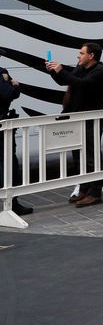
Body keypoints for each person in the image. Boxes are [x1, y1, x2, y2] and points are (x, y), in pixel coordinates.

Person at [46, 43, 103, 208]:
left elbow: (82, 84)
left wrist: (62, 71)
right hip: (76, 119)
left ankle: (95, 192)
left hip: (91, 121)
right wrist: (53, 71)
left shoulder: (100, 72)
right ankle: (84, 189)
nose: (78, 56)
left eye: (81, 53)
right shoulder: (81, 67)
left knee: (91, 157)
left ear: (92, 56)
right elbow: (67, 81)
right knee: (78, 157)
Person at [0, 66, 31, 216]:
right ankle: (12, 203)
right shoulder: (1, 72)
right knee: (8, 162)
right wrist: (16, 86)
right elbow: (8, 94)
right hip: (1, 126)